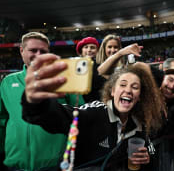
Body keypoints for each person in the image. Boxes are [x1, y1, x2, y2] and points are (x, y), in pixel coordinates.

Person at [21, 54, 165, 170]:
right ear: (113, 91)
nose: (128, 90)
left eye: (135, 87)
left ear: (139, 97)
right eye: (122, 85)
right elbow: (61, 117)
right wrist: (36, 103)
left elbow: (149, 156)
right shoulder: (95, 112)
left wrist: (146, 159)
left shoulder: (138, 126)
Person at [0, 32, 85, 171]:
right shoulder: (8, 82)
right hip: (15, 163)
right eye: (33, 50)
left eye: (43, 51)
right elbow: (2, 119)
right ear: (21, 50)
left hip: (53, 164)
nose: (38, 55)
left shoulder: (63, 80)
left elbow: (80, 116)